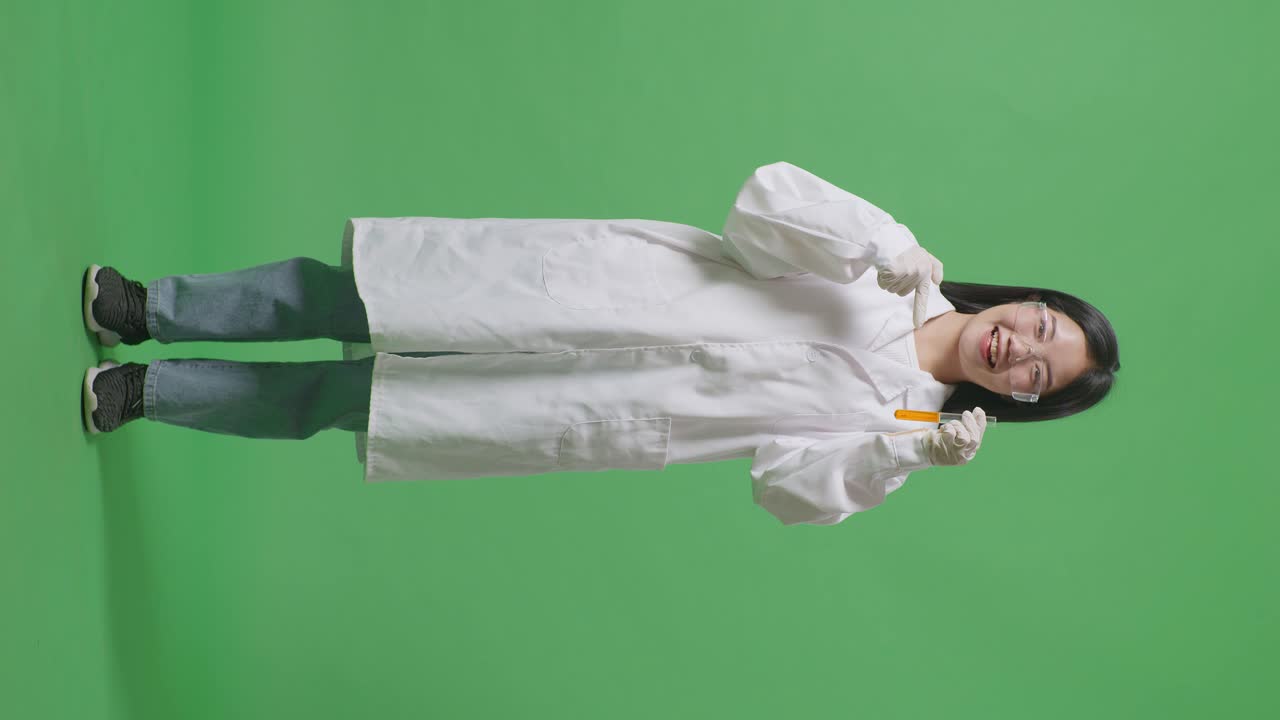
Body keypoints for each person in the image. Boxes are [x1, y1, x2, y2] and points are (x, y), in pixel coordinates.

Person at [80, 161, 1121, 525]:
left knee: (352, 404)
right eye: (1037, 325)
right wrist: (875, 244)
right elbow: (762, 207)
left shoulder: (905, 426)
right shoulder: (895, 264)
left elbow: (786, 488)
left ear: (1023, 399)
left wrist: (901, 451)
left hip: (605, 408)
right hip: (603, 296)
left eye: (1038, 371)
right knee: (346, 298)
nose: (1017, 350)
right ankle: (149, 307)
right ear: (1020, 300)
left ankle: (153, 392)